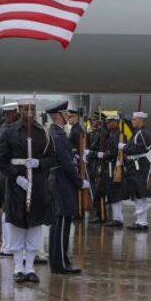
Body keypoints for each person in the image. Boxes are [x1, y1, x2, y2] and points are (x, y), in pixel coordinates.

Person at [0, 98, 55, 283]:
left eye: (32, 109)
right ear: (19, 110)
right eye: (25, 109)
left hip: (37, 185)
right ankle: (17, 267)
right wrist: (16, 177)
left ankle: (30, 266)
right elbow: (1, 160)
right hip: (16, 185)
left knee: (34, 227)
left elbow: (52, 158)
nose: (29, 113)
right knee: (17, 227)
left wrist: (39, 163)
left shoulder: (43, 133)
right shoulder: (8, 132)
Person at [46, 101, 89, 274]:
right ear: (59, 115)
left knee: (59, 223)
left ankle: (58, 261)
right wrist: (79, 181)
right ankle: (61, 263)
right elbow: (65, 162)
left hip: (60, 181)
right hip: (62, 182)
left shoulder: (57, 133)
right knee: (62, 222)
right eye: (65, 114)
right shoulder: (56, 134)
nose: (68, 117)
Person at [120, 111, 151, 231]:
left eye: (134, 119)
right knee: (137, 193)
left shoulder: (143, 133)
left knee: (140, 192)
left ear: (140, 120)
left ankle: (142, 222)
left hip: (139, 165)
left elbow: (140, 148)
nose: (133, 121)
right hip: (135, 165)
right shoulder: (138, 133)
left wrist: (124, 147)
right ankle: (140, 221)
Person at [0, 102, 19, 257]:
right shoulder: (8, 130)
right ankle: (9, 244)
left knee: (7, 207)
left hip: (4, 172)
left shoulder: (5, 128)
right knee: (9, 208)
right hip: (8, 172)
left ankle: (7, 244)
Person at [86, 113, 112, 224]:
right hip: (92, 164)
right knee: (94, 190)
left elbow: (101, 150)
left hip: (99, 164)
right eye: (91, 120)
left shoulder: (103, 133)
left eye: (93, 120)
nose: (91, 122)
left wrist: (91, 153)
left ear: (99, 121)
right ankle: (98, 213)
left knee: (99, 191)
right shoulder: (94, 132)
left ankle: (101, 215)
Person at [66, 108, 88, 218]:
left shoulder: (77, 130)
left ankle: (79, 211)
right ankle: (78, 211)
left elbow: (79, 147)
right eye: (68, 117)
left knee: (78, 185)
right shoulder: (75, 129)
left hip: (78, 160)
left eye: (71, 117)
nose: (69, 119)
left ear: (77, 117)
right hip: (76, 159)